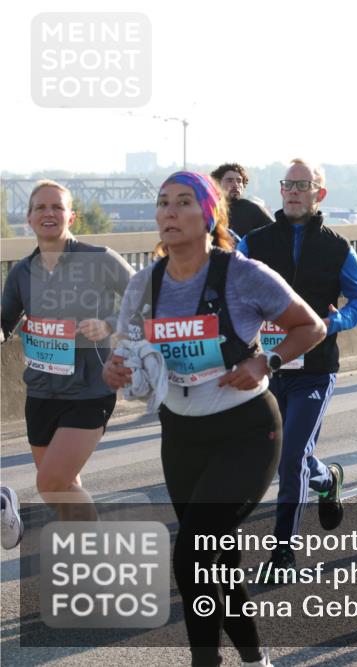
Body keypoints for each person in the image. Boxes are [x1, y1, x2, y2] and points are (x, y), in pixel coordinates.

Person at [104, 171, 326, 667]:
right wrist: (115, 370)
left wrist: (264, 361)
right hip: (182, 433)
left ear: (209, 215)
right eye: (163, 203)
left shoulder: (242, 273)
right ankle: (255, 658)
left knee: (189, 556)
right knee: (218, 562)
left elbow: (310, 326)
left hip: (246, 430)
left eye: (184, 202)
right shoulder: (144, 283)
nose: (170, 212)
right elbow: (122, 355)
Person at [237, 159, 357, 574]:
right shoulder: (254, 242)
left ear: (320, 193)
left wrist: (332, 323)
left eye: (303, 184)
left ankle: (283, 550)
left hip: (315, 366)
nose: (293, 191)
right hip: (267, 367)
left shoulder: (337, 246)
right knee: (283, 455)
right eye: (288, 184)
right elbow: (230, 291)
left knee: (292, 453)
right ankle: (327, 479)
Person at [1, 180, 134, 525]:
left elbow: (146, 303)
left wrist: (107, 325)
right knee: (66, 488)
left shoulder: (100, 259)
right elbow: (5, 322)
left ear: (71, 216)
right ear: (28, 218)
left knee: (51, 483)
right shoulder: (21, 272)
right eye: (40, 208)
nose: (49, 213)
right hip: (42, 393)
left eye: (57, 207)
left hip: (91, 391)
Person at [210, 163, 274, 238]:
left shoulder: (253, 209)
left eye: (239, 181)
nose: (236, 184)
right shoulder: (211, 210)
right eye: (229, 180)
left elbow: (276, 233)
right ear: (218, 183)